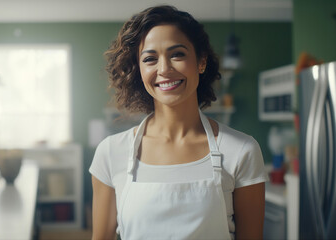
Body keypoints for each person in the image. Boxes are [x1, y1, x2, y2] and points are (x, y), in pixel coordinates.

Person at [89, 5, 268, 240]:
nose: (164, 69)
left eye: (177, 54)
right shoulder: (111, 152)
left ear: (201, 61)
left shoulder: (241, 151)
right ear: (139, 70)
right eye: (150, 59)